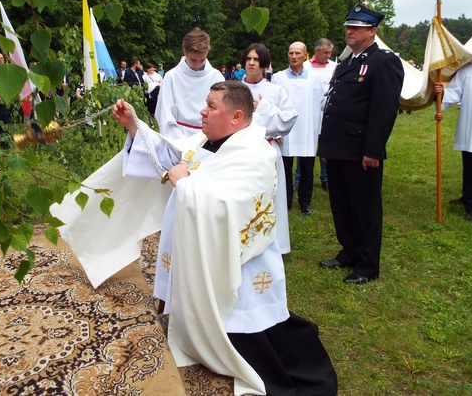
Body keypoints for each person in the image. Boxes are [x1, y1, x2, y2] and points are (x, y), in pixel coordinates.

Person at [54, 80, 337, 396]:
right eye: (205, 103)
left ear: (236, 116)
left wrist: (184, 184)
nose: (202, 111)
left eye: (211, 106)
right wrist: (134, 125)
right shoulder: (207, 138)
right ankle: (196, 331)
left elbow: (229, 207)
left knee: (246, 331)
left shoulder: (256, 154)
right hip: (200, 250)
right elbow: (168, 152)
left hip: (239, 263)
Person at [317, 5, 404, 285]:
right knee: (341, 204)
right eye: (347, 26)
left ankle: (367, 265)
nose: (349, 31)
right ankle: (349, 252)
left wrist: (373, 150)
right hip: (337, 147)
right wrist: (326, 147)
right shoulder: (346, 62)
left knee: (364, 208)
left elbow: (383, 110)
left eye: (356, 27)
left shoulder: (383, 61)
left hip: (360, 150)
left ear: (372, 31)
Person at [241, 43, 298, 254]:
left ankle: (274, 244)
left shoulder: (275, 91)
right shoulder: (234, 89)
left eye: (256, 59)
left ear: (264, 64)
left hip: (266, 151)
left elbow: (289, 119)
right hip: (241, 152)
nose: (252, 63)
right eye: (248, 59)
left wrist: (264, 108)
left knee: (270, 197)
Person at [434, 34, 472, 222]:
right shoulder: (467, 71)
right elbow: (454, 92)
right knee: (471, 171)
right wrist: (442, 94)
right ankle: (470, 205)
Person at [273, 42, 325, 215]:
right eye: (291, 53)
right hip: (286, 129)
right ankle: (285, 201)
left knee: (307, 169)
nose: (294, 56)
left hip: (307, 129)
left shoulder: (315, 78)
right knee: (285, 168)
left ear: (305, 55)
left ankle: (305, 202)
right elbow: (274, 104)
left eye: (297, 53)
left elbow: (321, 103)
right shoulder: (279, 77)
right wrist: (277, 129)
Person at [154, 27, 224, 139]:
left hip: (208, 137)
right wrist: (182, 144)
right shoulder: (172, 77)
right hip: (178, 137)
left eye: (202, 60)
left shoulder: (216, 76)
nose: (197, 64)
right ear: (184, 51)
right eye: (193, 60)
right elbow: (165, 115)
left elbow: (222, 112)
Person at [303, 38, 337, 191]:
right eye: (325, 52)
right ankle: (300, 177)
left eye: (330, 52)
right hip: (309, 110)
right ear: (316, 51)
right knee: (306, 145)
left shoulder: (335, 67)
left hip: (328, 112)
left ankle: (326, 177)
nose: (328, 55)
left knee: (325, 144)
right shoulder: (305, 67)